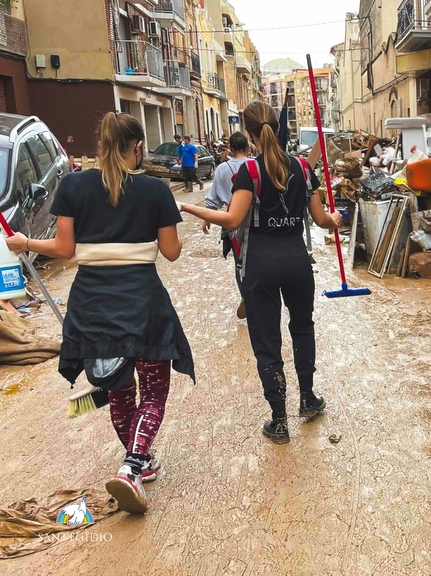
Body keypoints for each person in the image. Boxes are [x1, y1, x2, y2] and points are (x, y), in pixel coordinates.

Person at [5, 112, 195, 514]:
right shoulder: (153, 190)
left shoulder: (73, 185)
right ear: (138, 147)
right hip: (143, 303)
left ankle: (136, 462)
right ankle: (132, 465)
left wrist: (25, 243)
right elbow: (172, 252)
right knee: (154, 388)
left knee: (118, 388)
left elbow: (64, 249)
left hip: (92, 304)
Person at [180, 101, 342, 444]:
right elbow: (320, 219)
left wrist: (189, 207)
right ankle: (308, 399)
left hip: (260, 266)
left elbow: (233, 219)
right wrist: (337, 220)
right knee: (302, 328)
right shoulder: (301, 167)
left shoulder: (248, 172)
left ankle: (279, 421)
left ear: (250, 134)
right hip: (298, 262)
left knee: (267, 341)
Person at [204, 131, 250, 319]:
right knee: (256, 259)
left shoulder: (222, 169)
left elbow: (213, 199)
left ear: (230, 148)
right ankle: (257, 294)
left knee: (239, 263)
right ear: (248, 147)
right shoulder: (255, 164)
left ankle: (245, 295)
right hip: (256, 221)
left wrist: (206, 219)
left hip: (232, 222)